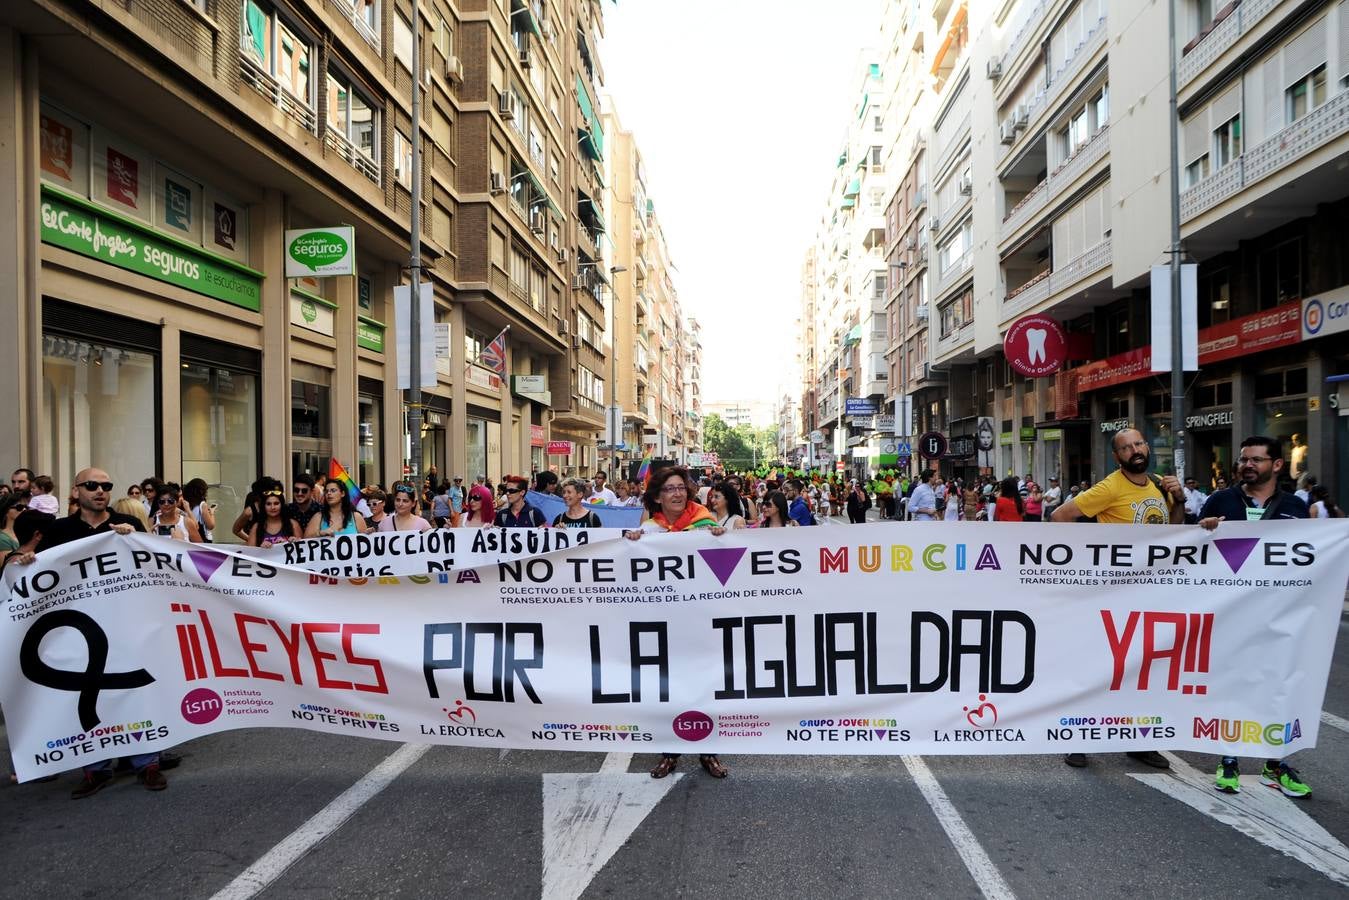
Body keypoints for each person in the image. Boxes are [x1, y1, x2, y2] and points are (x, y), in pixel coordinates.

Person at [18, 470, 164, 796]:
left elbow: (151, 564)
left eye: (107, 486)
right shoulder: (60, 529)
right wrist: (27, 561)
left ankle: (148, 763)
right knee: (85, 697)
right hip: (78, 628)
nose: (100, 491)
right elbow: (42, 567)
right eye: (92, 486)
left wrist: (133, 538)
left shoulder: (128, 524)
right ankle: (95, 768)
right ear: (76, 491)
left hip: (125, 623)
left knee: (134, 689)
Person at [1051, 428, 1183, 771]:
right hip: (1112, 595)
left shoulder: (1157, 484)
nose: (1134, 450)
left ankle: (1139, 741)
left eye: (1138, 444)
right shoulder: (1110, 487)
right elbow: (1060, 517)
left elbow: (1173, 534)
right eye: (1126, 448)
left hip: (1151, 594)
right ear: (1117, 457)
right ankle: (1076, 738)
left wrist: (1179, 500)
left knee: (1141, 670)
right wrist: (1089, 562)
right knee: (1097, 667)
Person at [1199, 435, 1312, 798]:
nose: (1247, 465)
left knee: (1280, 690)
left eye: (1256, 460)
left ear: (1277, 465)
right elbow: (1192, 553)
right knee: (1232, 687)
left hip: (1280, 616)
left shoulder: (1295, 506)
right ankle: (1228, 759)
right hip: (1230, 615)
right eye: (1243, 460)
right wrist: (1204, 530)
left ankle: (1275, 765)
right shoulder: (1220, 501)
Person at [623, 466, 727, 780]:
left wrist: (722, 540)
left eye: (681, 487)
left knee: (705, 687)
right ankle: (669, 753)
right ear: (657, 496)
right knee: (669, 689)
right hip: (665, 626)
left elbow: (726, 570)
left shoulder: (705, 524)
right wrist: (631, 542)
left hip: (701, 623)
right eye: (669, 489)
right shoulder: (650, 531)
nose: (677, 493)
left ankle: (709, 752)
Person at [183, 478, 215, 543]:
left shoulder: (185, 504)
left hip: (190, 537)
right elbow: (210, 525)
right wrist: (211, 513)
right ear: (201, 491)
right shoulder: (202, 505)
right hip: (203, 538)